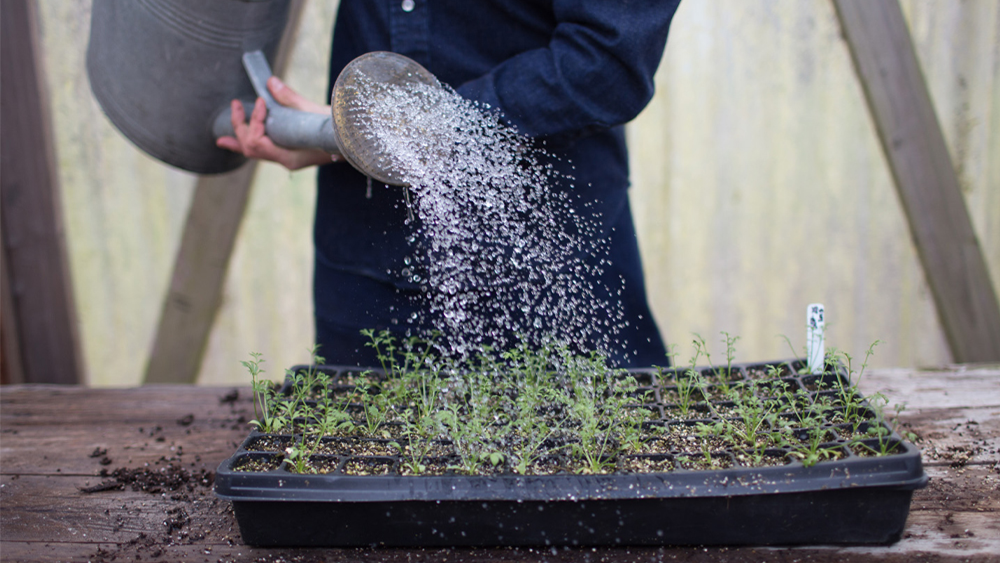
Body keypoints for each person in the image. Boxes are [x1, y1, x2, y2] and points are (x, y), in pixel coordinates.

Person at [219, 0, 682, 368]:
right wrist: (350, 134)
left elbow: (608, 61)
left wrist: (376, 132)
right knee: (366, 460)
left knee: (591, 461)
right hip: (369, 252)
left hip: (549, 260)